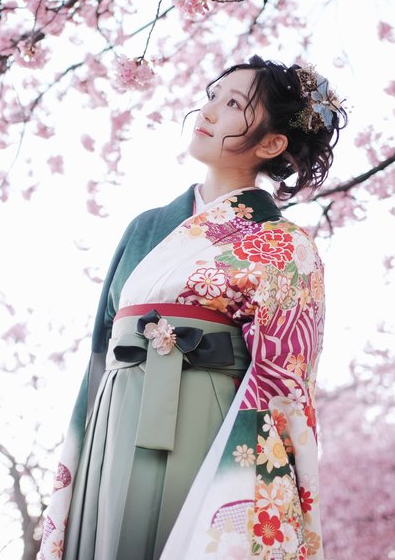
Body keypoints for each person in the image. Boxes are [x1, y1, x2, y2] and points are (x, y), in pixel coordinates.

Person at [38, 55, 347, 560]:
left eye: (232, 104)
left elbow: (284, 383)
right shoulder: (145, 227)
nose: (207, 112)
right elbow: (101, 347)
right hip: (115, 415)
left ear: (271, 144)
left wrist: (244, 483)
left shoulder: (285, 245)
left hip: (212, 426)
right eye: (212, 96)